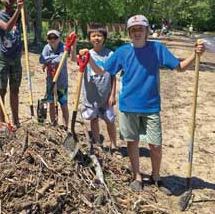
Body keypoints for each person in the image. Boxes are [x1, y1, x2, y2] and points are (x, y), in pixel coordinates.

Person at [83, 15, 205, 194]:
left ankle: (156, 177)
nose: (137, 32)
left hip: (151, 106)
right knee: (132, 143)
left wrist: (195, 55)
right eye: (133, 29)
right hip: (128, 106)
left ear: (147, 31)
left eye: (141, 29)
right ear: (129, 33)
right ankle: (137, 176)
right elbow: (102, 70)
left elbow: (179, 67)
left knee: (155, 144)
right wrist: (88, 58)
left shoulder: (157, 48)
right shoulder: (123, 51)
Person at [0, 0, 25, 131]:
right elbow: (7, 27)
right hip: (3, 58)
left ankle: (16, 119)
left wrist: (23, 6)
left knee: (15, 90)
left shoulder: (20, 14)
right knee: (1, 90)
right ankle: (2, 121)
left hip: (16, 59)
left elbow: (25, 23)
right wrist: (18, 10)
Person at [80, 23, 117, 151]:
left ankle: (113, 145)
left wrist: (112, 94)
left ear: (104, 38)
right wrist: (73, 46)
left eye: (99, 35)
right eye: (93, 35)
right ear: (89, 38)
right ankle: (97, 143)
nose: (96, 38)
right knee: (94, 119)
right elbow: (74, 59)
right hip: (91, 96)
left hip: (106, 96)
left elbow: (113, 76)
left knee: (109, 120)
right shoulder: (86, 54)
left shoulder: (110, 55)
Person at [39, 30, 76, 129]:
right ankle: (53, 125)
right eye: (50, 38)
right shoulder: (46, 47)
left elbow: (61, 60)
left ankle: (65, 126)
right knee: (51, 103)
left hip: (61, 82)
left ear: (59, 38)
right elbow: (41, 59)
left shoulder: (64, 47)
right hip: (50, 81)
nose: (52, 40)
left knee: (63, 105)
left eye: (54, 37)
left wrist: (49, 60)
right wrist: (55, 57)